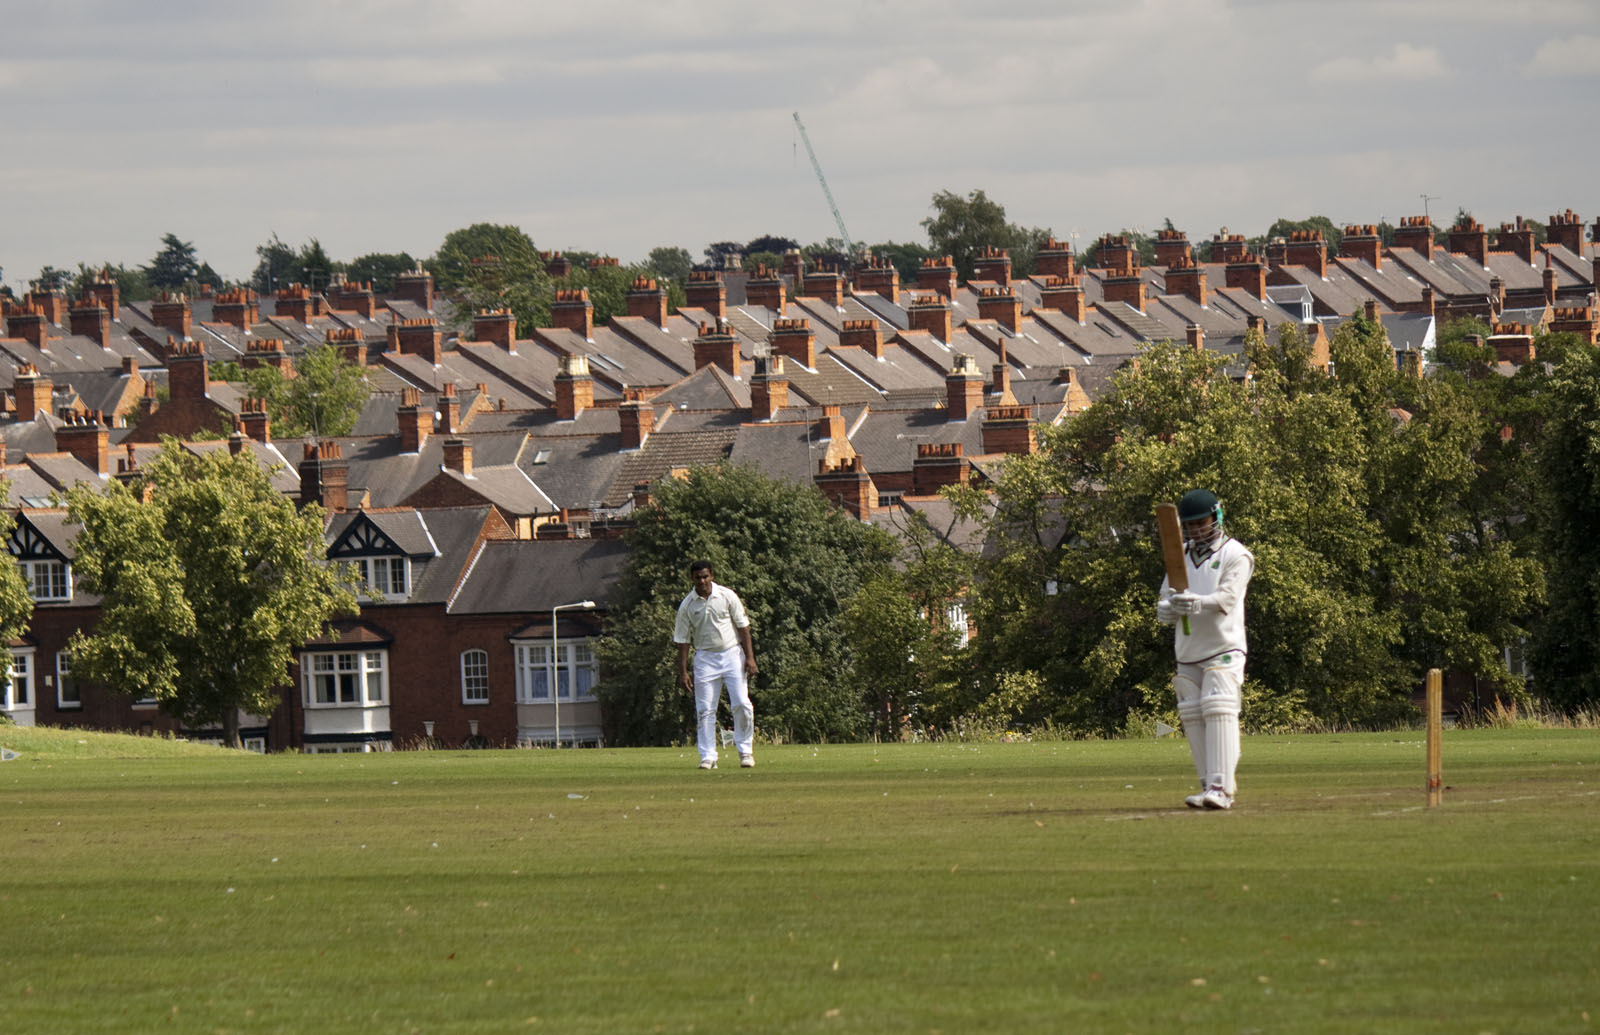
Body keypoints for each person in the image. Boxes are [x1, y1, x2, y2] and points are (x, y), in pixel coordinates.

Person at [1156, 489, 1255, 810]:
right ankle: (1207, 785)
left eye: (1203, 522)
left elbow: (1227, 599)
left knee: (1219, 704)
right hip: (1188, 650)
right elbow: (1164, 601)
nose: (1198, 529)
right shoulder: (1179, 555)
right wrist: (1168, 610)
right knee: (1192, 713)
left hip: (1224, 646)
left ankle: (1222, 788)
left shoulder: (1236, 555)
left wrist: (1195, 603)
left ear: (1217, 518)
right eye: (1192, 524)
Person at [674, 560, 758, 769]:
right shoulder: (687, 605)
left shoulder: (727, 596)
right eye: (697, 577)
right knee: (705, 710)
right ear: (692, 579)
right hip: (705, 658)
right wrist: (683, 672)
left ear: (711, 575)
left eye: (705, 576)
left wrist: (750, 657)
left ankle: (745, 751)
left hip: (732, 654)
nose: (702, 581)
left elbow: (743, 627)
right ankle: (708, 756)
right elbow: (683, 640)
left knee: (741, 703)